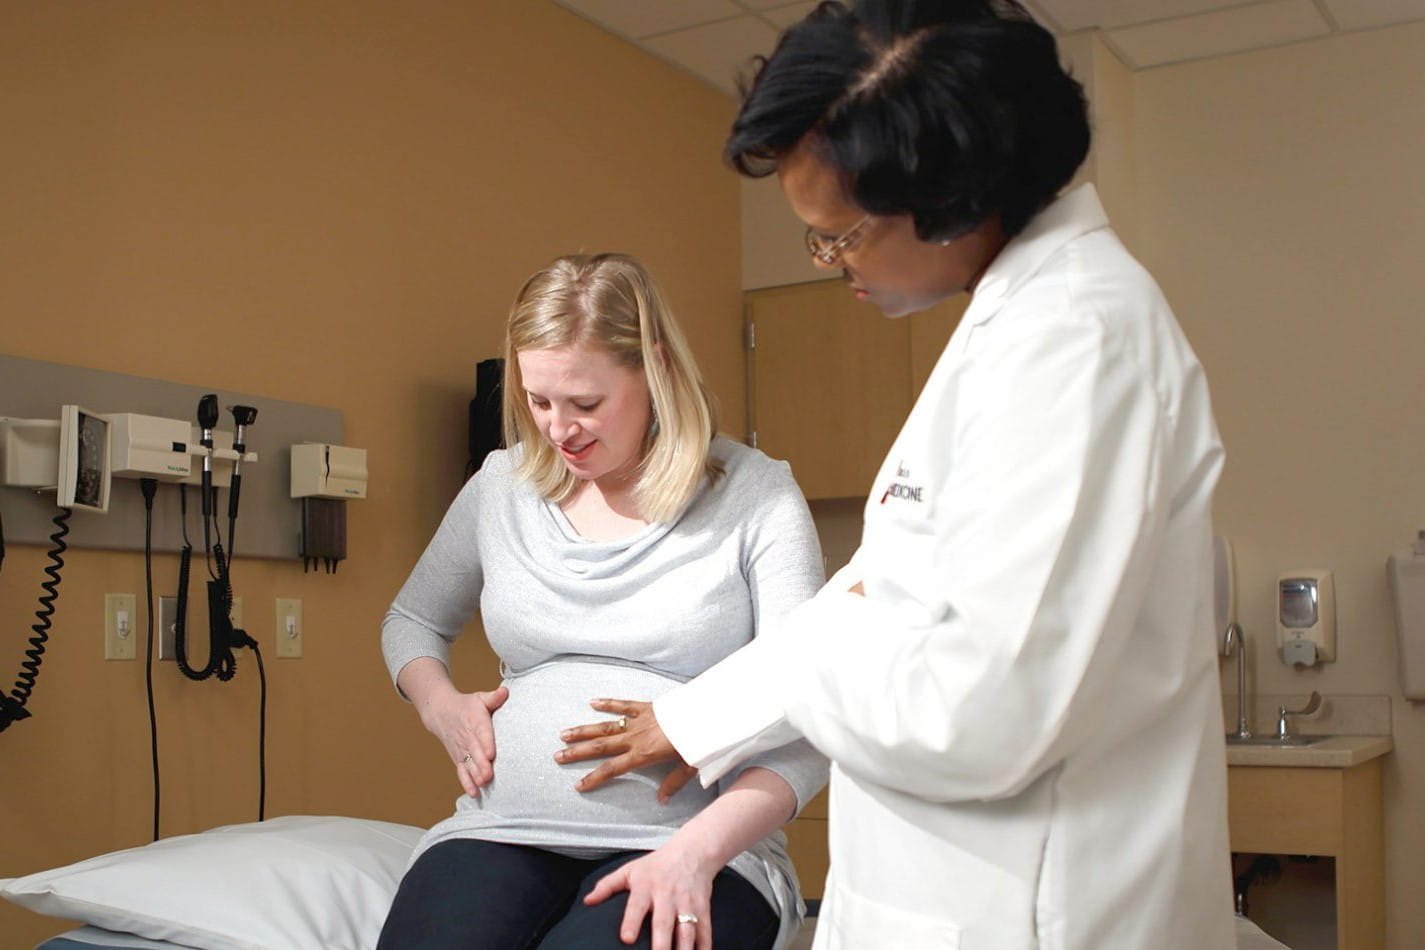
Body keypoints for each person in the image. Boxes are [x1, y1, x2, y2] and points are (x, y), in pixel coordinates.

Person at [556, 3, 1234, 948]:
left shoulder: (1072, 342)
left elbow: (978, 712)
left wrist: (821, 652)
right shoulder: (1010, 328)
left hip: (1027, 909)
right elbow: (886, 594)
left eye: (839, 237)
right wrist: (703, 708)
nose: (833, 264)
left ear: (956, 199)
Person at [379, 253, 827, 950]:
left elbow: (811, 707)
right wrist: (443, 708)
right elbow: (412, 621)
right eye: (538, 400)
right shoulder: (501, 486)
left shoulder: (754, 495)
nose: (559, 429)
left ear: (655, 369)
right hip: (502, 830)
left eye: (586, 403)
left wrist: (695, 852)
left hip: (690, 840)